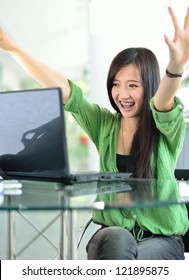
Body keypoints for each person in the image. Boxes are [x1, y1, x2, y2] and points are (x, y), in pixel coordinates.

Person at [0, 6, 189, 259]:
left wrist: (176, 65)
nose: (122, 94)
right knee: (118, 239)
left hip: (162, 240)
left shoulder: (165, 127)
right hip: (111, 234)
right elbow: (66, 90)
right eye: (116, 85)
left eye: (133, 85)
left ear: (150, 86)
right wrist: (15, 50)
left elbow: (163, 103)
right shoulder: (104, 124)